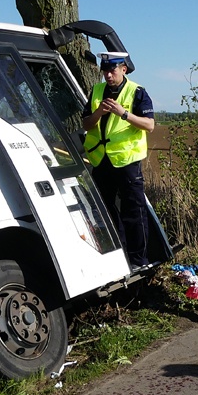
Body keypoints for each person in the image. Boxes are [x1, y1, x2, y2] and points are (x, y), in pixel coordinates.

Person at [82, 51, 155, 268]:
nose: (108, 75)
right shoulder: (96, 91)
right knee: (104, 210)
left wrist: (123, 113)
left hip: (127, 161)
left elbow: (149, 125)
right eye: (105, 71)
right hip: (101, 160)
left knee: (134, 211)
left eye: (112, 70)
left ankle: (138, 260)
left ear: (123, 69)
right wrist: (98, 113)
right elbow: (86, 124)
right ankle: (117, 255)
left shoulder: (137, 92)